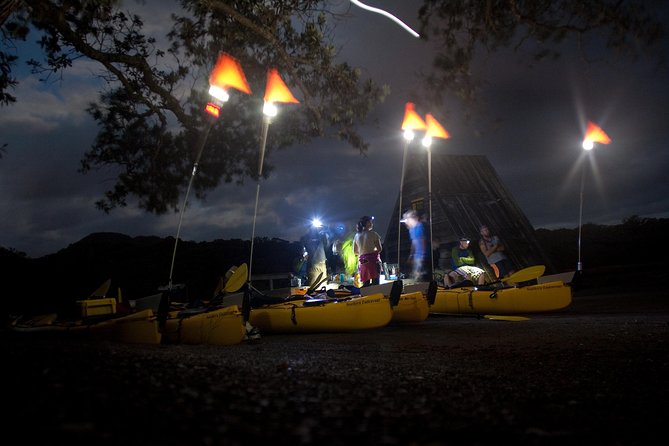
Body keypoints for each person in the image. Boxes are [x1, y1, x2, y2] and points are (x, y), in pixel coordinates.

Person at [353, 215, 383, 287]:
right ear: (367, 223)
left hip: (363, 262)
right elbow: (379, 249)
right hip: (373, 260)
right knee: (375, 283)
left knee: (365, 284)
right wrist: (372, 250)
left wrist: (363, 251)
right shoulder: (373, 234)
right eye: (371, 222)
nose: (372, 224)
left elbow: (355, 251)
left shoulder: (356, 236)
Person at [401, 210, 427, 282]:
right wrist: (411, 255)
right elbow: (413, 242)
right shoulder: (411, 229)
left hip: (422, 255)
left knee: (420, 275)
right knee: (415, 274)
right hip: (416, 255)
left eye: (408, 219)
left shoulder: (420, 226)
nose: (406, 222)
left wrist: (423, 256)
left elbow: (423, 241)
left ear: (414, 218)